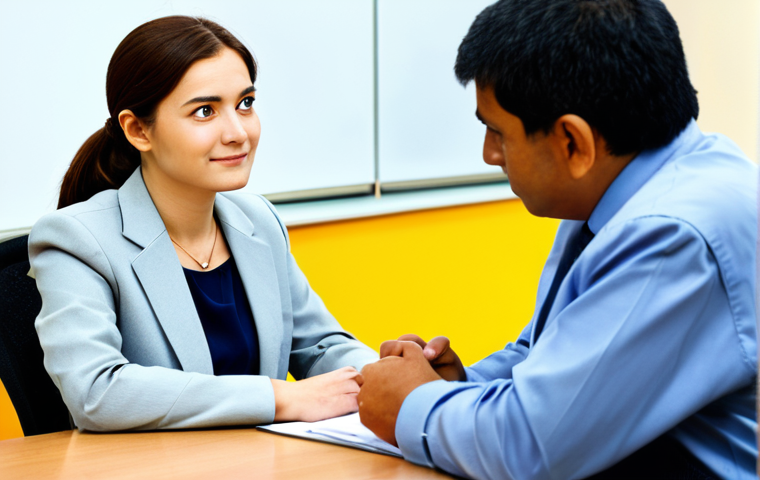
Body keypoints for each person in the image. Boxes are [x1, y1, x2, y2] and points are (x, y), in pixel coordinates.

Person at [356, 1, 758, 479]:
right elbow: (547, 354)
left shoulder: (672, 237)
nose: (489, 154)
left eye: (497, 132)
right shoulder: (629, 184)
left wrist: (410, 405)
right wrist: (462, 383)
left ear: (572, 143)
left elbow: (531, 448)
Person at [29, 16, 377, 432]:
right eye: (205, 111)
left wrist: (392, 375)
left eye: (245, 103)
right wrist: (279, 396)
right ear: (138, 130)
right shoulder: (77, 240)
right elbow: (98, 392)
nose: (237, 132)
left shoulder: (258, 222)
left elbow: (319, 348)